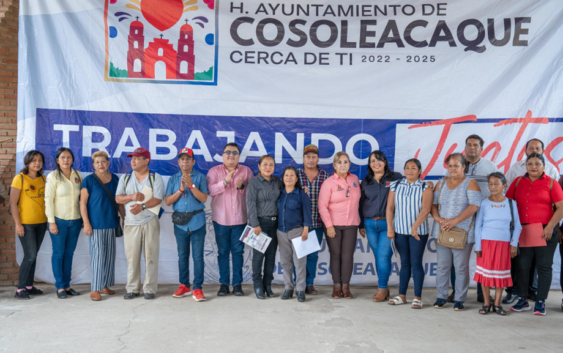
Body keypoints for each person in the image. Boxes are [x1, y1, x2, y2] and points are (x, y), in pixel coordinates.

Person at [504, 138, 560, 304]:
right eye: (530, 164)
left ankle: (540, 299)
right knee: (522, 265)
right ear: (525, 165)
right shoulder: (518, 180)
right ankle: (520, 297)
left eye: (537, 164)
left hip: (545, 230)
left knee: (542, 266)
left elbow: (560, 207)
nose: (534, 167)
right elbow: (508, 203)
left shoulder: (551, 182)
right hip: (523, 230)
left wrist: (550, 226)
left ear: (544, 166)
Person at [445, 135, 500, 303]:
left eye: (476, 145)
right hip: (460, 217)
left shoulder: (490, 166)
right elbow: (446, 184)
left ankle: (481, 292)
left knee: (484, 255)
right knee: (456, 256)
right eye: (469, 145)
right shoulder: (457, 164)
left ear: (481, 148)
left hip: (485, 216)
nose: (472, 148)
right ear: (465, 147)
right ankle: (456, 291)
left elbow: (498, 190)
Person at [431, 153, 482, 311]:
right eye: (450, 165)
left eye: (456, 165)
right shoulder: (441, 183)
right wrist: (439, 219)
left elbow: (474, 206)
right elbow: (433, 205)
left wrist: (454, 221)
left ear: (464, 166)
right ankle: (441, 297)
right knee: (442, 266)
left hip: (462, 232)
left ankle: (459, 299)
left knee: (460, 266)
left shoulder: (471, 183)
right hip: (443, 231)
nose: (453, 169)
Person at [116, 147, 165, 300]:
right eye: (132, 158)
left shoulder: (155, 177)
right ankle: (132, 288)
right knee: (132, 257)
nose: (133, 161)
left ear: (146, 161)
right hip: (131, 222)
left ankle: (149, 289)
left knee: (151, 256)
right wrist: (132, 196)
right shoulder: (125, 177)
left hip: (150, 221)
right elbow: (118, 198)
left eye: (137, 158)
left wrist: (142, 206)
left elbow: (158, 199)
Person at [207, 142, 253, 297]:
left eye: (234, 152)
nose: (231, 155)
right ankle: (224, 284)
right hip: (220, 220)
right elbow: (210, 191)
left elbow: (252, 197)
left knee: (239, 253)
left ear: (239, 156)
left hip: (240, 220)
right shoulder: (214, 171)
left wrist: (241, 187)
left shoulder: (246, 171)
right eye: (228, 152)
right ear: (223, 155)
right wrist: (225, 181)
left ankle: (238, 285)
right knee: (223, 253)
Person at [386, 158, 433, 308]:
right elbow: (390, 208)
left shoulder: (425, 187)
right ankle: (402, 296)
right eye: (407, 168)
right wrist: (390, 228)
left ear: (420, 171)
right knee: (405, 263)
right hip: (399, 231)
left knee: (416, 263)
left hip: (418, 233)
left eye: (413, 168)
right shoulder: (396, 185)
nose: (410, 170)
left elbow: (426, 210)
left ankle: (418, 297)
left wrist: (414, 227)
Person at [474, 172, 522, 316]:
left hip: (504, 244)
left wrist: (513, 244)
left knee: (501, 275)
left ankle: (497, 303)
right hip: (486, 243)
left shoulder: (511, 203)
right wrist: (478, 246)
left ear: (504, 185)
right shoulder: (484, 203)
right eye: (490, 184)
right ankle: (487, 302)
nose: (493, 187)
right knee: (486, 275)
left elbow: (518, 226)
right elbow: (478, 226)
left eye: (496, 183)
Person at [165, 148, 209, 302]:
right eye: (182, 159)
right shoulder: (173, 178)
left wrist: (192, 186)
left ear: (193, 162)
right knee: (182, 256)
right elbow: (168, 201)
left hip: (197, 222)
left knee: (198, 257)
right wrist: (180, 189)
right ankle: (184, 285)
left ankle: (197, 288)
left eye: (188, 159)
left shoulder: (201, 177)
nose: (185, 161)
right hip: (180, 224)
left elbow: (204, 199)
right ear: (178, 162)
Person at [358, 151, 402, 302]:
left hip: (388, 224)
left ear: (385, 161)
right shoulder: (365, 182)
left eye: (379, 160)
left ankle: (382, 288)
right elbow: (360, 203)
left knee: (383, 257)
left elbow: (411, 187)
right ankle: (384, 287)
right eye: (372, 161)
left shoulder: (396, 178)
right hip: (370, 224)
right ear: (369, 164)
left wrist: (427, 184)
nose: (376, 163)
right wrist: (361, 225)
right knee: (379, 257)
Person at [80, 151, 124, 301]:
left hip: (111, 223)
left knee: (109, 256)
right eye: (97, 162)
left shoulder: (116, 179)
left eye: (103, 161)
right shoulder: (89, 180)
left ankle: (105, 285)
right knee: (97, 257)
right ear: (93, 165)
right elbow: (83, 203)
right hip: (95, 225)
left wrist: (124, 218)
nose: (100, 164)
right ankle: (95, 289)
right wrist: (86, 222)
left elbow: (119, 201)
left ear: (108, 163)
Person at [319, 152, 361, 299]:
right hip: (333, 225)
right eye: (340, 162)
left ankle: (346, 287)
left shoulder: (355, 179)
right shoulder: (328, 182)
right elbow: (322, 206)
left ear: (349, 164)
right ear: (335, 165)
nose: (343, 165)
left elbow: (358, 202)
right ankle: (336, 287)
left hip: (351, 223)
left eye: (346, 162)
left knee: (348, 256)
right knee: (336, 255)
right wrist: (329, 225)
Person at [45, 147, 83, 299]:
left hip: (75, 221)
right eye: (62, 158)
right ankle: (60, 287)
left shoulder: (77, 175)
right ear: (57, 160)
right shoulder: (53, 176)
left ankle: (67, 285)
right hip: (59, 221)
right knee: (58, 254)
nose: (66, 160)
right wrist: (51, 222)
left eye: (68, 157)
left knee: (69, 254)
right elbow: (48, 200)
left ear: (72, 160)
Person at [10, 150, 48, 300]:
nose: (37, 163)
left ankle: (29, 286)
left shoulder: (43, 179)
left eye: (39, 160)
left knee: (33, 255)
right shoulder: (19, 178)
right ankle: (20, 289)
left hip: (41, 223)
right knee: (30, 255)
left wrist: (46, 221)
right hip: (26, 224)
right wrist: (18, 224)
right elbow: (13, 203)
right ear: (27, 162)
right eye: (34, 160)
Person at [246, 155, 281, 299]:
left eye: (271, 165)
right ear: (259, 166)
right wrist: (255, 224)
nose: (268, 168)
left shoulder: (277, 181)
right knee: (258, 256)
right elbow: (250, 204)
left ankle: (268, 285)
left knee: (271, 256)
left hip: (275, 224)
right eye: (265, 165)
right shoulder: (254, 182)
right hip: (259, 224)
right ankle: (258, 286)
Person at [296, 144, 329, 295]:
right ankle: (299, 285)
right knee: (300, 255)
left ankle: (309, 284)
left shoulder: (325, 176)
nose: (310, 159)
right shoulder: (295, 175)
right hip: (298, 224)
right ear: (303, 158)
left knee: (313, 256)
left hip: (317, 222)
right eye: (307, 156)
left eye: (313, 157)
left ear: (318, 158)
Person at [277, 166, 312, 302]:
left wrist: (306, 229)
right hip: (281, 231)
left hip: (298, 231)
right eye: (286, 175)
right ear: (283, 178)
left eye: (292, 175)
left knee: (300, 262)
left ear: (296, 179)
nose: (289, 178)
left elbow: (307, 212)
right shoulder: (279, 193)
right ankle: (288, 288)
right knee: (286, 262)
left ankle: (301, 290)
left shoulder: (302, 193)